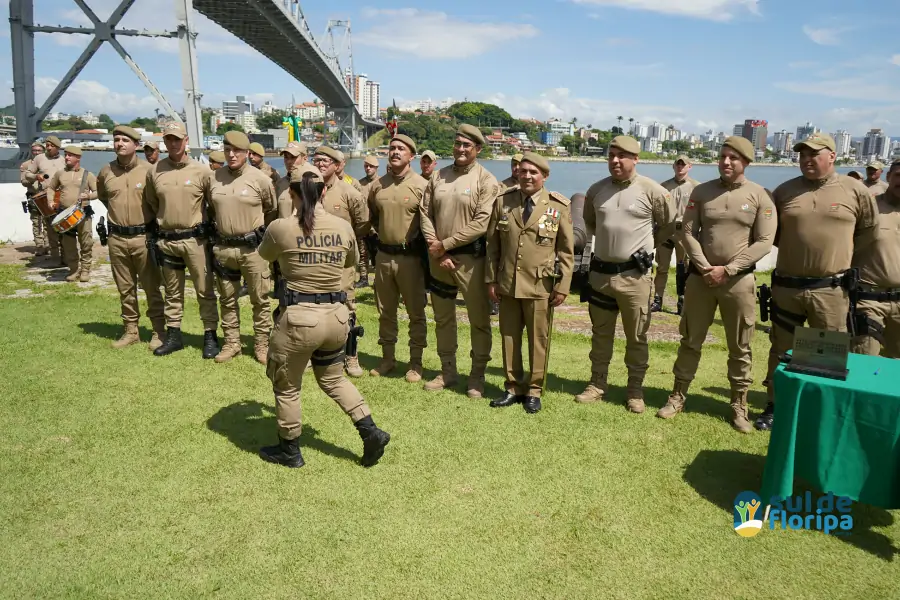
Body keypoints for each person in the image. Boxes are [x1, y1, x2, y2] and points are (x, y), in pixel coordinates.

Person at [256, 168, 391, 469]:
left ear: (291, 193)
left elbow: (265, 254)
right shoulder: (342, 227)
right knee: (333, 378)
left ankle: (289, 450)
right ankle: (369, 431)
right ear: (324, 192)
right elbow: (352, 260)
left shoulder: (280, 227)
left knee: (287, 385)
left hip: (300, 320)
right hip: (336, 318)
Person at [757, 132, 878, 430]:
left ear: (832, 156)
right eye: (802, 154)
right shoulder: (784, 192)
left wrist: (838, 257)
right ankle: (775, 405)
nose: (806, 159)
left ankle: (820, 411)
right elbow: (772, 233)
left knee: (828, 351)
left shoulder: (854, 189)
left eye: (814, 154)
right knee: (781, 349)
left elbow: (868, 232)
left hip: (831, 289)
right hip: (787, 286)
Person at [657, 137, 776, 432]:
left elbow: (764, 241)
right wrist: (704, 266)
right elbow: (687, 231)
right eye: (722, 156)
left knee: (741, 346)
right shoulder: (702, 192)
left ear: (746, 162)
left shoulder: (759, 195)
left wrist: (730, 269)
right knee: (690, 341)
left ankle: (739, 404)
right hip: (701, 280)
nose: (725, 162)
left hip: (738, 282)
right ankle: (677, 395)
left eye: (733, 158)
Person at [577, 135, 676, 412]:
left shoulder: (653, 191)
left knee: (637, 336)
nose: (615, 161)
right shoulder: (596, 190)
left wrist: (646, 247)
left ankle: (634, 390)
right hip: (601, 276)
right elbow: (590, 222)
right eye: (611, 155)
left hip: (635, 277)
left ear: (636, 159)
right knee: (600, 334)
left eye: (622, 156)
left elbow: (668, 225)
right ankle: (597, 383)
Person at [486, 152, 574, 414]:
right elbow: (492, 246)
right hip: (508, 283)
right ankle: (513, 387)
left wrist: (563, 285)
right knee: (509, 338)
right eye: (523, 171)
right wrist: (491, 279)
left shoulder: (557, 206)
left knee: (538, 340)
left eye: (533, 172)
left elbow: (566, 251)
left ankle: (534, 390)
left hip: (540, 285)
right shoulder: (503, 201)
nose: (526, 176)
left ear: (544, 176)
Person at [420, 124, 501, 398]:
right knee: (443, 318)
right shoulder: (439, 176)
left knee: (479, 320)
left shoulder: (487, 180)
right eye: (457, 144)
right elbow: (424, 212)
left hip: (471, 262)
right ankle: (448, 371)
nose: (461, 149)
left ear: (478, 149)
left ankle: (477, 376)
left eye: (467, 146)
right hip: (438, 259)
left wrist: (447, 245)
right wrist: (438, 249)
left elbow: (481, 222)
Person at [143, 121, 221, 359]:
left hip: (195, 241)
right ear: (164, 142)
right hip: (167, 240)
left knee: (204, 289)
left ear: (186, 140)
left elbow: (213, 204)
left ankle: (210, 335)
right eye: (169, 139)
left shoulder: (202, 171)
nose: (173, 143)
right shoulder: (154, 171)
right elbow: (152, 202)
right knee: (172, 291)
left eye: (177, 139)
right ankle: (174, 335)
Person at [207, 130, 278, 364]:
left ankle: (261, 344)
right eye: (227, 150)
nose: (231, 154)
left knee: (260, 299)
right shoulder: (214, 178)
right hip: (224, 248)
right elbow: (210, 209)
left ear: (247, 152)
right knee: (227, 299)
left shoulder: (261, 179)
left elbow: (271, 209)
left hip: (253, 249)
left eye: (236, 150)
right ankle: (231, 343)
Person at [96, 125, 165, 350]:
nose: (119, 144)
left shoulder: (149, 171)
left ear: (136, 145)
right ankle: (131, 330)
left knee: (151, 286)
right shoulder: (106, 172)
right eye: (116, 140)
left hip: (143, 237)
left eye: (125, 140)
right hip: (116, 238)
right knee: (125, 288)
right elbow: (105, 198)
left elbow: (157, 203)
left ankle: (158, 331)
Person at [366, 135, 429, 381]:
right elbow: (371, 215)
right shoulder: (378, 185)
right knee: (385, 311)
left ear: (411, 155)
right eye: (392, 148)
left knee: (416, 312)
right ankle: (387, 359)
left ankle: (416, 363)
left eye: (401, 149)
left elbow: (428, 222)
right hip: (383, 256)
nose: (395, 152)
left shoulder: (421, 185)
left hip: (410, 258)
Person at [311, 145, 370, 378]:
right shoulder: (307, 190)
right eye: (317, 159)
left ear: (337, 166)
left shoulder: (350, 193)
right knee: (313, 305)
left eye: (326, 160)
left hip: (341, 261)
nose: (321, 163)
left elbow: (363, 223)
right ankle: (314, 352)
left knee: (346, 305)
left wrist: (345, 244)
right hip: (313, 260)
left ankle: (350, 354)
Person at [850, 159, 900, 358]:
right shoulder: (868, 208)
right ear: (888, 176)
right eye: (898, 176)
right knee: (864, 360)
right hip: (869, 299)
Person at [652, 154, 700, 315]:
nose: (680, 167)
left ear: (689, 166)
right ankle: (657, 299)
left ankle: (682, 299)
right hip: (666, 230)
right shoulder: (664, 186)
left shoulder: (696, 187)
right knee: (661, 268)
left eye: (683, 165)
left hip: (684, 232)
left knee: (683, 268)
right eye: (678, 164)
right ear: (673, 166)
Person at [47, 146, 98, 282]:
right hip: (65, 213)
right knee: (68, 244)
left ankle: (85, 270)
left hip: (83, 213)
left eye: (70, 155)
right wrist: (50, 201)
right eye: (66, 155)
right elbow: (51, 188)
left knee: (86, 242)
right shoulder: (60, 174)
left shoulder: (88, 174)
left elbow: (98, 192)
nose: (67, 157)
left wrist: (89, 196)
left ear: (78, 158)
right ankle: (74, 270)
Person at [24, 135, 66, 264]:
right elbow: (27, 174)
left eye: (51, 146)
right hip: (44, 197)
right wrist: (37, 176)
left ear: (57, 147)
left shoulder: (64, 160)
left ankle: (65, 256)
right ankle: (54, 257)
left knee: (63, 228)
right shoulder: (39, 158)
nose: (48, 148)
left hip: (61, 197)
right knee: (49, 227)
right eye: (47, 145)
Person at [19, 142, 48, 255]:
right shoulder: (26, 165)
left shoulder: (47, 163)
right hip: (33, 196)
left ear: (43, 151)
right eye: (34, 150)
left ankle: (48, 244)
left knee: (48, 222)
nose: (36, 152)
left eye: (39, 150)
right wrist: (34, 176)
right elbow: (24, 182)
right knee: (36, 222)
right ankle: (39, 245)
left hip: (46, 195)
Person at [355, 155, 380, 288]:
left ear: (376, 167)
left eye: (371, 166)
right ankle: (363, 278)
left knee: (378, 254)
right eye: (366, 166)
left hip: (377, 226)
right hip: (363, 224)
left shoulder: (382, 183)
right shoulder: (359, 184)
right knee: (363, 253)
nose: (368, 168)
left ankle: (378, 279)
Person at [276, 141, 318, 218]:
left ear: (305, 158)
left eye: (293, 157)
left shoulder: (315, 183)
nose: (288, 161)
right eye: (286, 157)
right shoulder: (280, 184)